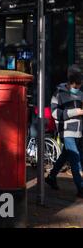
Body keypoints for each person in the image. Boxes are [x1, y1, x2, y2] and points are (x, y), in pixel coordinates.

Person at [45, 65, 83, 198]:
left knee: (66, 156)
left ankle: (51, 176)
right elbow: (55, 113)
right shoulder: (58, 93)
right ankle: (81, 188)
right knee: (76, 158)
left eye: (80, 86)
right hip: (66, 131)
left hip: (79, 132)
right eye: (77, 85)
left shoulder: (80, 93)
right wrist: (76, 112)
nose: (78, 88)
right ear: (71, 82)